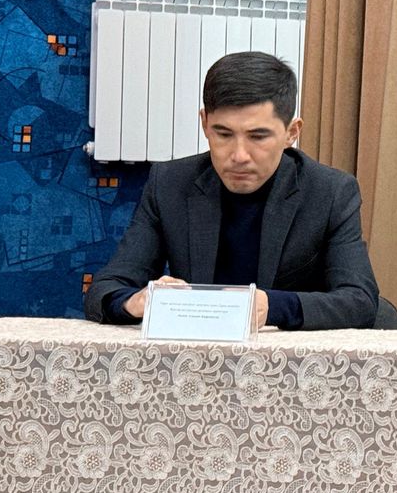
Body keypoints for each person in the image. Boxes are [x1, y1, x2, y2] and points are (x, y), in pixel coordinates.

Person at [85, 51, 381, 330]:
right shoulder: (169, 184)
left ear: (291, 133)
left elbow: (360, 300)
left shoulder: (330, 192)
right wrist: (138, 301)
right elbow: (105, 289)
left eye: (258, 136)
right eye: (223, 134)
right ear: (205, 124)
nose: (239, 155)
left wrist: (272, 306)